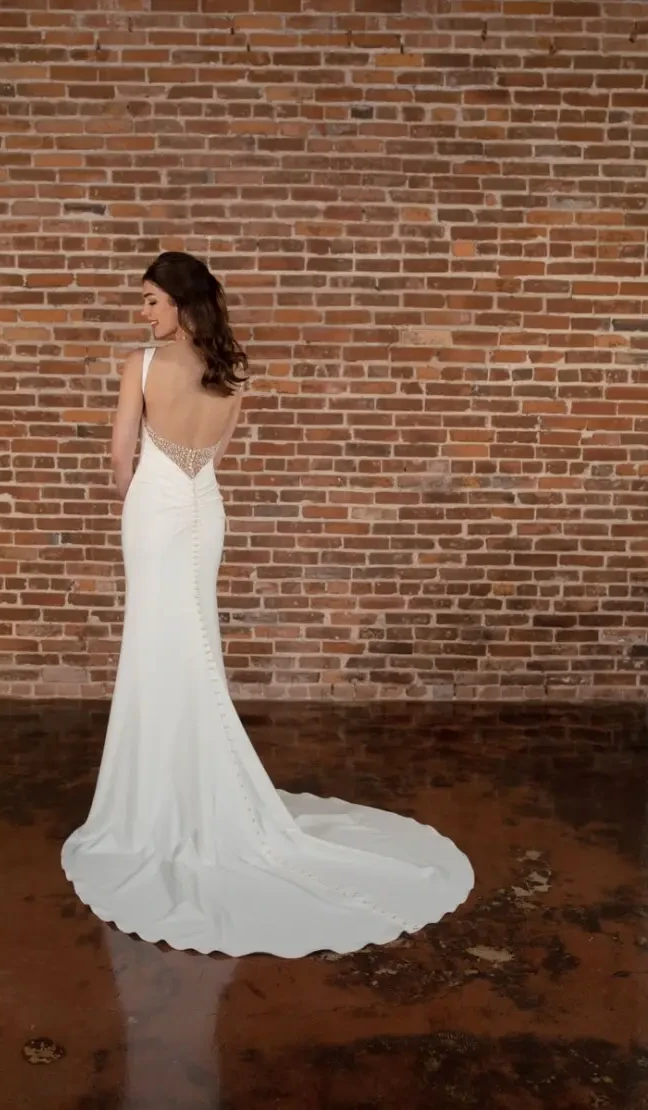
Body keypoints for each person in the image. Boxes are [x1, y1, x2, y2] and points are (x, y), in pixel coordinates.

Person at [61, 251, 474, 958]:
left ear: (184, 304)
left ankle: (158, 804)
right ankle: (193, 788)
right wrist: (180, 485)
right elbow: (216, 446)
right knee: (194, 643)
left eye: (153, 302)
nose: (144, 313)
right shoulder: (234, 367)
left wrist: (138, 500)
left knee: (160, 646)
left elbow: (121, 453)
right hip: (204, 511)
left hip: (158, 511)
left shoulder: (141, 365)